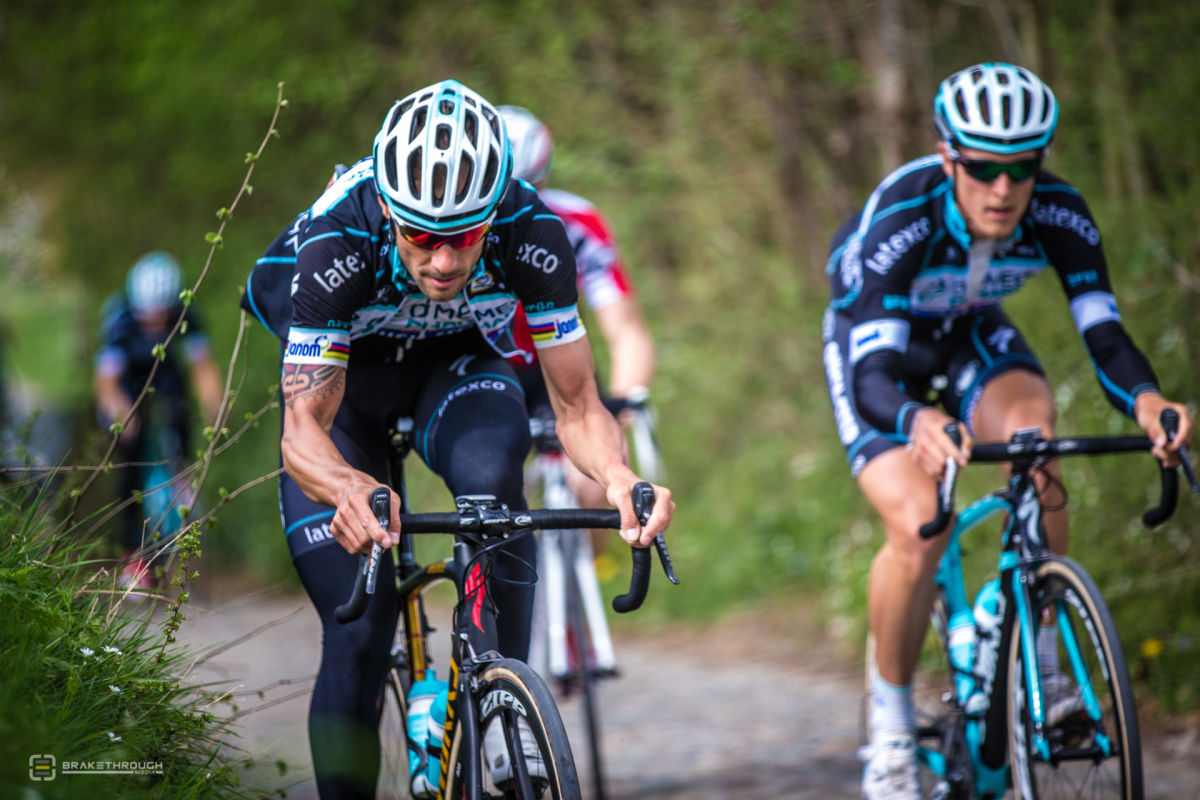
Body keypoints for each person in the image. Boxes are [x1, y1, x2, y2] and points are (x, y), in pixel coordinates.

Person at [240, 79, 674, 799]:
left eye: (465, 237)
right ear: (389, 211)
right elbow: (303, 431)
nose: (443, 262)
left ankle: (503, 698)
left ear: (493, 212)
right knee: (359, 630)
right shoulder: (337, 238)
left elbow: (577, 407)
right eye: (422, 238)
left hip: (454, 365)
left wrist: (619, 477)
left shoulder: (531, 231)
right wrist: (348, 487)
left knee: (496, 483)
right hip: (347, 389)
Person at [821, 62, 1193, 799]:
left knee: (1036, 447)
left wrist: (1148, 402)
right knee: (919, 524)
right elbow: (874, 378)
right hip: (878, 353)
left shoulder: (1058, 211)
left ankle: (1044, 668)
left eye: (1022, 168)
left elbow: (1105, 334)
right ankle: (891, 730)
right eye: (984, 167)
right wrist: (916, 418)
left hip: (969, 333)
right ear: (948, 156)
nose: (1003, 188)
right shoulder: (904, 213)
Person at [498, 103, 657, 554]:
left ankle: (586, 576)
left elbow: (627, 332)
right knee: (494, 486)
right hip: (489, 365)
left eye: (532, 189)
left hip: (556, 363)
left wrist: (624, 399)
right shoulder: (457, 233)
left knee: (593, 485)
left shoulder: (578, 225)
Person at [94, 251, 222, 589]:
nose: (154, 323)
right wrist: (122, 416)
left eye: (161, 316)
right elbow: (106, 385)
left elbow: (202, 368)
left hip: (166, 379)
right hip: (128, 385)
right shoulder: (120, 318)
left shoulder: (186, 313)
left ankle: (180, 481)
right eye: (147, 317)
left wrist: (214, 406)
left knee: (179, 414)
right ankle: (131, 554)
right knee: (130, 457)